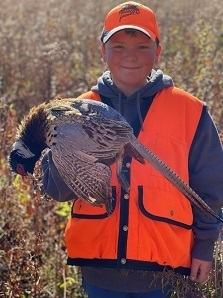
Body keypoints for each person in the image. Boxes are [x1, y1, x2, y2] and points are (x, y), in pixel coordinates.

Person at [41, 2, 223, 297]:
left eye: (141, 45)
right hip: (100, 272)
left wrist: (204, 247)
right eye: (118, 46)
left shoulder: (190, 111)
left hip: (166, 271)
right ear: (102, 51)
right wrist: (73, 149)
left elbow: (211, 187)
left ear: (158, 50)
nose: (130, 56)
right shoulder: (76, 110)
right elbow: (56, 190)